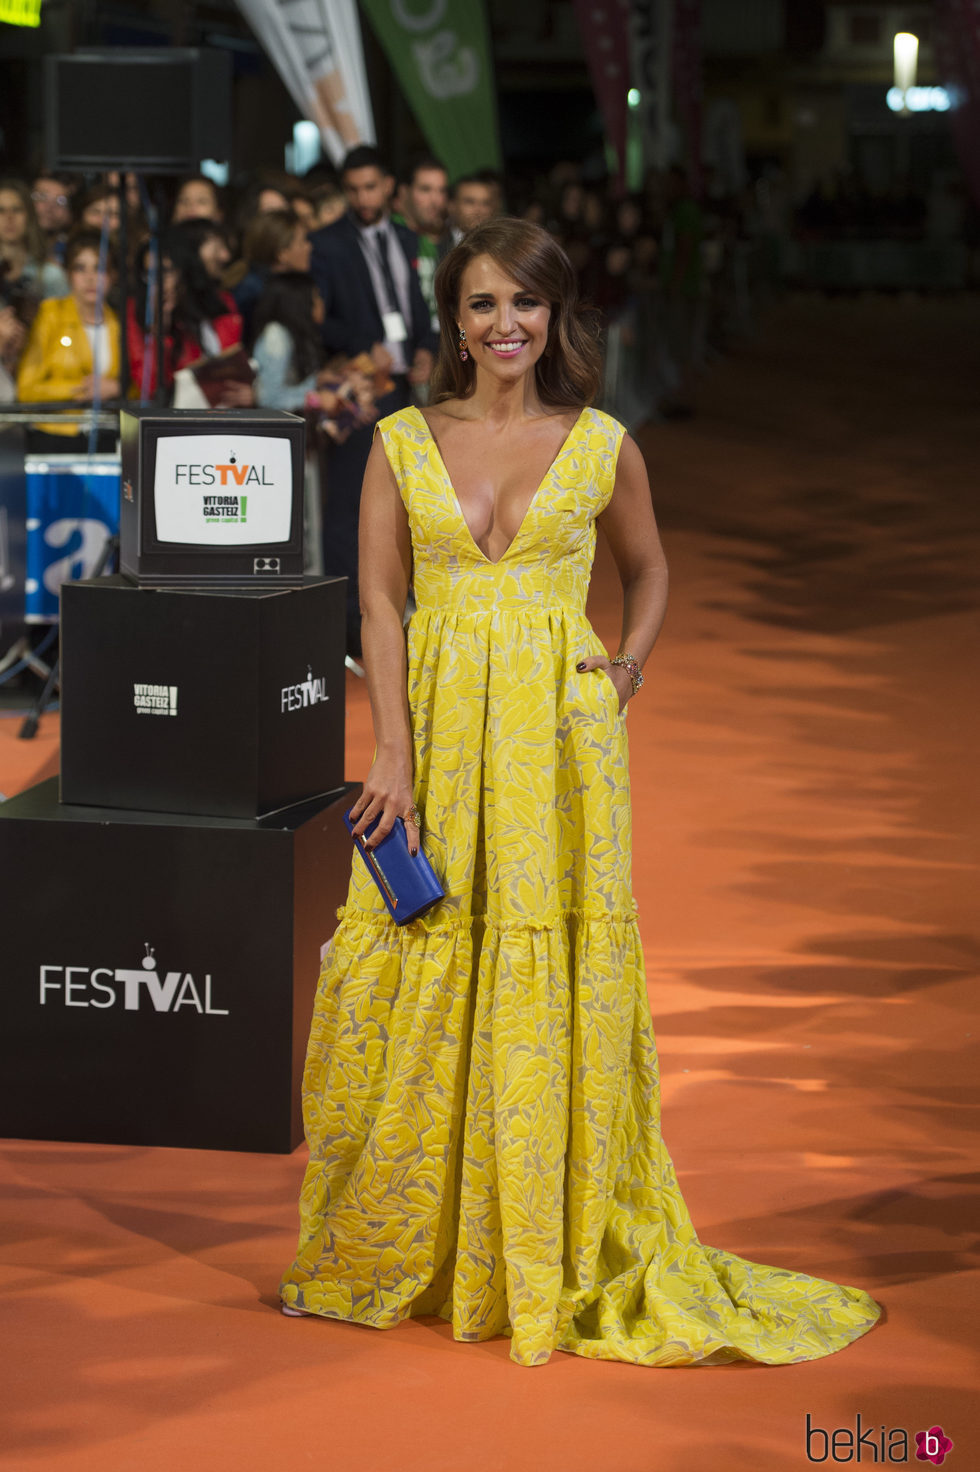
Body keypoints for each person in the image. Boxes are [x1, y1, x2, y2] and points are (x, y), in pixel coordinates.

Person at [279, 218, 882, 1369]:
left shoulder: (602, 441)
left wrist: (627, 665)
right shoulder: (401, 440)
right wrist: (388, 750)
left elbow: (649, 567)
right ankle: (391, 1235)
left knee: (541, 963)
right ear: (451, 322)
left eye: (526, 304)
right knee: (415, 955)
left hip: (558, 748)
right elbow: (376, 606)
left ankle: (538, 1241)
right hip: (443, 736)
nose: (505, 324)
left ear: (553, 317)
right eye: (483, 303)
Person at [309, 144, 436, 659]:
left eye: (371, 186)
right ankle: (348, 628)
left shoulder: (409, 239)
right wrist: (363, 348)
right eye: (353, 189)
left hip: (406, 390)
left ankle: (404, 617)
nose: (363, 198)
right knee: (348, 507)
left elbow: (422, 308)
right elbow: (319, 319)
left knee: (409, 507)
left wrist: (426, 347)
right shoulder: (326, 244)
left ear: (389, 187)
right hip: (357, 390)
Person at [16, 227, 120, 445]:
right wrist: (82, 390)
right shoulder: (50, 314)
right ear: (68, 274)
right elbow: (27, 388)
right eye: (80, 268)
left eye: (100, 268)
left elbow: (138, 384)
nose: (90, 278)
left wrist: (116, 388)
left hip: (110, 435)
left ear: (113, 275)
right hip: (55, 436)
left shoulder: (120, 323)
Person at [394, 155, 452, 333]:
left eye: (441, 191)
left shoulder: (440, 239)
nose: (435, 201)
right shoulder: (390, 236)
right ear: (404, 192)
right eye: (426, 190)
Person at [448, 173, 495, 242]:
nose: (479, 210)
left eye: (485, 203)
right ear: (452, 206)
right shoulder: (435, 243)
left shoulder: (501, 245)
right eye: (470, 202)